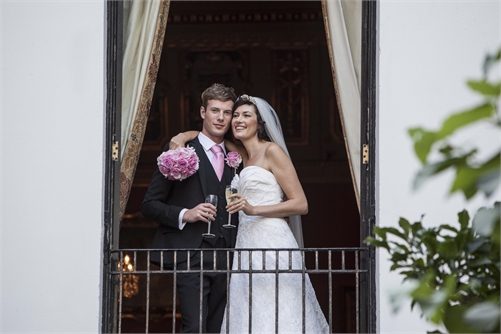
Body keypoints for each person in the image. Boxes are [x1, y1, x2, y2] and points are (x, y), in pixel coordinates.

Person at [173, 95, 329, 333]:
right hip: (245, 242)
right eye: (235, 115)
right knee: (250, 311)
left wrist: (254, 209)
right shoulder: (241, 155)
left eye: (246, 115)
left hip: (272, 239)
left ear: (260, 123)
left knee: (278, 306)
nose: (238, 120)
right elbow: (205, 137)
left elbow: (300, 204)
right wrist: (182, 136)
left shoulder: (272, 151)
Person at [141, 83, 239, 333]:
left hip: (229, 254)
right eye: (215, 110)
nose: (220, 118)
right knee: (194, 327)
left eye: (227, 112)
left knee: (220, 327)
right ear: (202, 111)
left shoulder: (236, 154)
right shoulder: (178, 150)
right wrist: (187, 214)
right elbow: (150, 205)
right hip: (191, 254)